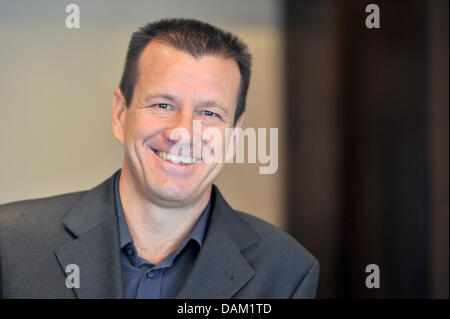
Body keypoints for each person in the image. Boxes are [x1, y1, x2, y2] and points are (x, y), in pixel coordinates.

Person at [0, 18, 319, 299]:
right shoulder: (9, 244)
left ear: (234, 136)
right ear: (120, 114)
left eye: (209, 113)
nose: (182, 132)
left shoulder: (286, 271)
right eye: (163, 105)